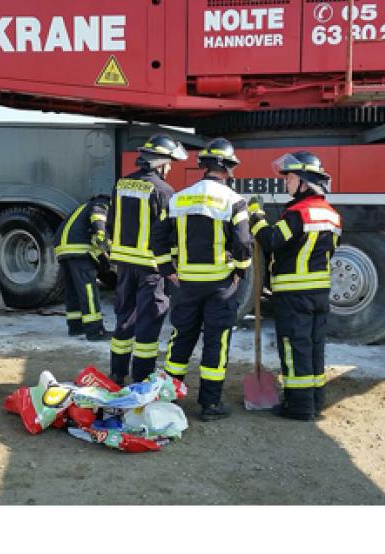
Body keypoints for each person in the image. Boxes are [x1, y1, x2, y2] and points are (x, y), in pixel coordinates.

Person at [152, 138, 252, 421]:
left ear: (203, 167)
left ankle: (168, 397)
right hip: (220, 285)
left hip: (185, 285)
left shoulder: (179, 198)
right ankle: (210, 404)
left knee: (180, 337)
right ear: (227, 169)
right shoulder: (235, 201)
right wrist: (240, 270)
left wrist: (166, 269)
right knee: (216, 342)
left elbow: (158, 238)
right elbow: (244, 243)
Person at [249, 151, 340, 421]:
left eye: (289, 177)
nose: (285, 182)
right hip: (320, 293)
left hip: (293, 294)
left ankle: (299, 406)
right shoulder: (333, 215)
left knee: (293, 346)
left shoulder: (298, 214)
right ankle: (315, 400)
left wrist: (256, 216)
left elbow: (271, 239)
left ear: (304, 181)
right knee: (314, 346)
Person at [106, 133, 187, 386]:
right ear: (160, 163)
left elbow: (110, 224)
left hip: (124, 266)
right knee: (149, 323)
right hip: (151, 268)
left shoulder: (121, 185)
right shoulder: (165, 191)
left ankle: (117, 373)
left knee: (124, 319)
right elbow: (167, 234)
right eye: (170, 163)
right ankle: (142, 377)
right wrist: (172, 265)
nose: (171, 168)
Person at [54, 194, 112, 341]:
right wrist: (103, 255)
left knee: (73, 290)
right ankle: (95, 331)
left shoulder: (83, 206)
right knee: (88, 291)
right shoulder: (103, 203)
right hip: (79, 249)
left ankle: (75, 327)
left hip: (63, 249)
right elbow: (99, 232)